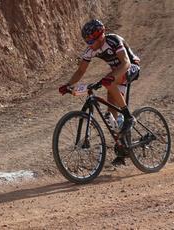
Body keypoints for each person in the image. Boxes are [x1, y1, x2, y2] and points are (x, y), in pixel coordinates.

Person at [58, 19, 141, 166]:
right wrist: (68, 85)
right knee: (111, 115)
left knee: (110, 83)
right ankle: (123, 148)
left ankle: (128, 117)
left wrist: (112, 77)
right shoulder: (91, 50)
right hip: (116, 72)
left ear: (100, 35)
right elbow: (81, 70)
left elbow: (126, 63)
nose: (89, 44)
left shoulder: (113, 40)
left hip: (130, 67)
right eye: (87, 41)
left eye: (91, 40)